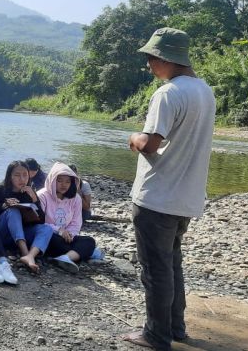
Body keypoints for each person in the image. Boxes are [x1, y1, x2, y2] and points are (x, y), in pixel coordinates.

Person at [120, 28, 216, 350]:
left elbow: (151, 144)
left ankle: (156, 335)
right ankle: (175, 328)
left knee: (156, 270)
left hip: (156, 197)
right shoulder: (205, 92)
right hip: (185, 199)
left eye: (150, 59)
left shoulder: (168, 94)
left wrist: (134, 138)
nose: (148, 66)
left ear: (164, 58)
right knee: (171, 264)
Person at [0, 160, 53, 273]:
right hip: (1, 235)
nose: (22, 179)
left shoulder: (29, 193)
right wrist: (3, 206)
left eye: (25, 175)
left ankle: (30, 256)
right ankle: (25, 253)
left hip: (20, 235)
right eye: (17, 175)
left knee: (47, 228)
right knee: (13, 211)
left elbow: (41, 220)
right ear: (10, 176)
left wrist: (35, 200)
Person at [38, 162, 99, 273]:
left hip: (66, 238)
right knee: (53, 240)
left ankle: (65, 258)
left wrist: (70, 234)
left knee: (89, 241)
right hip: (49, 236)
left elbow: (76, 222)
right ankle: (80, 253)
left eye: (68, 181)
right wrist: (59, 230)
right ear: (52, 179)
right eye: (59, 180)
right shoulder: (42, 196)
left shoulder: (76, 198)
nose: (64, 185)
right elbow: (38, 222)